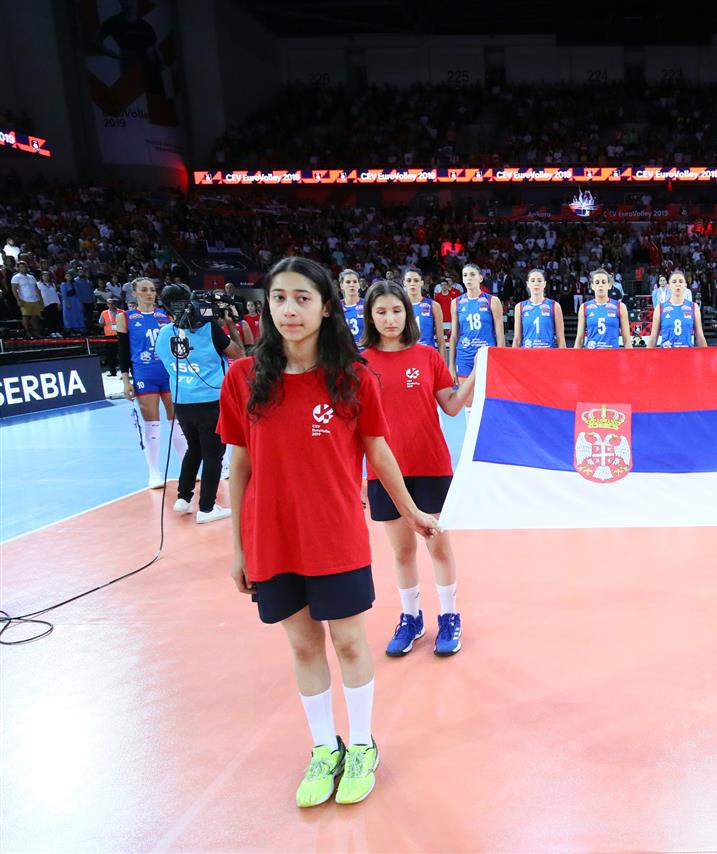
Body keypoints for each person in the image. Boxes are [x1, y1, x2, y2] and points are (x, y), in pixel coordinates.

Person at [220, 256, 438, 808]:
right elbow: (239, 465)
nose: (289, 310)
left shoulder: (354, 377)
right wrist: (238, 547)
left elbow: (378, 452)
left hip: (334, 533)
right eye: (279, 298)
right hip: (272, 537)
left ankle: (362, 744)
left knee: (347, 641)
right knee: (302, 644)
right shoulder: (243, 377)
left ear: (325, 307)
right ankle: (325, 748)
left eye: (302, 298)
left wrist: (412, 511)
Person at [361, 281, 476, 657]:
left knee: (438, 546)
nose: (390, 319)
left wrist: (479, 371)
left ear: (407, 314)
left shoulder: (427, 356)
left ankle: (449, 616)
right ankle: (411, 618)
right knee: (402, 551)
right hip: (385, 471)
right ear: (370, 317)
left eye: (396, 311)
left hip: (431, 465)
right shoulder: (359, 364)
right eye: (381, 312)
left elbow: (453, 406)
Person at [155, 284, 244, 522]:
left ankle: (183, 499)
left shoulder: (163, 334)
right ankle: (207, 508)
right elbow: (238, 354)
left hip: (181, 401)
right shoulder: (208, 328)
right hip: (210, 400)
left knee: (194, 449)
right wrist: (230, 326)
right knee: (213, 454)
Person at [117, 277, 187, 488]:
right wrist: (126, 381)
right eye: (144, 290)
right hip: (144, 374)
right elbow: (122, 352)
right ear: (135, 293)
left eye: (152, 290)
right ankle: (154, 472)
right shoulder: (126, 317)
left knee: (177, 422)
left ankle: (187, 469)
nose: (150, 293)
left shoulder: (165, 316)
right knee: (152, 425)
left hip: (168, 373)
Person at [450, 263, 505, 382]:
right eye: (465, 275)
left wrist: (501, 360)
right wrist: (452, 366)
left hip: (486, 354)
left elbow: (500, 334)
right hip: (464, 355)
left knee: (486, 392)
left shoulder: (492, 301)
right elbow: (454, 336)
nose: (468, 278)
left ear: (480, 278)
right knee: (465, 393)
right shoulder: (456, 303)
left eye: (472, 274)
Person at [575, 268, 633, 349]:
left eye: (603, 282)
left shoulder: (620, 307)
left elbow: (626, 339)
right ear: (592, 286)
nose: (600, 285)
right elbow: (580, 339)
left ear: (609, 285)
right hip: (591, 354)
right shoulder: (584, 307)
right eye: (597, 282)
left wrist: (630, 356)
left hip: (612, 354)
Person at [648, 269, 706, 348]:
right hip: (666, 354)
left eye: (681, 281)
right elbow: (653, 338)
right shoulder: (660, 308)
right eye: (674, 282)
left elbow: (700, 338)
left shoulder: (694, 307)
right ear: (669, 286)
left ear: (685, 285)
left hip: (687, 354)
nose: (677, 284)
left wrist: (706, 355)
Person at [513, 268, 567, 348]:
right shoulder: (520, 307)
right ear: (528, 284)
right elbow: (517, 339)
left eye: (539, 280)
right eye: (532, 280)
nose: (536, 283)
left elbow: (561, 339)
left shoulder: (554, 306)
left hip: (548, 353)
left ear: (544, 284)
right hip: (527, 353)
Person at [403, 266, 444, 351]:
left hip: (427, 354)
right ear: (404, 283)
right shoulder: (399, 307)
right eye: (409, 280)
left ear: (421, 283)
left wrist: (441, 359)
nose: (412, 283)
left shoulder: (433, 305)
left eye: (416, 280)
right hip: (406, 354)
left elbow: (440, 340)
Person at [9, 260, 41, 337]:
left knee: (35, 317)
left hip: (34, 299)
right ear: (18, 268)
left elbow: (36, 288)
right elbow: (14, 290)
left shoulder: (31, 277)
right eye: (21, 267)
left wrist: (40, 298)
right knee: (26, 316)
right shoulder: (16, 277)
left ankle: (36, 332)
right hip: (24, 300)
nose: (23, 268)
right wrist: (18, 300)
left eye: (24, 266)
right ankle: (27, 332)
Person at [100, 297, 123, 375]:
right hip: (109, 336)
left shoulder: (121, 312)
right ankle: (113, 371)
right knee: (111, 355)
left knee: (123, 354)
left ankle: (125, 371)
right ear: (107, 304)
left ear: (115, 304)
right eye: (109, 303)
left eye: (113, 303)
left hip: (120, 334)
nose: (111, 305)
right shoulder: (104, 313)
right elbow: (101, 323)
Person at [339, 269, 364, 340]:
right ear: (341, 286)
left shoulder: (368, 305)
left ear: (359, 285)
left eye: (355, 282)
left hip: (365, 346)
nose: (352, 285)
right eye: (348, 282)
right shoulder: (336, 306)